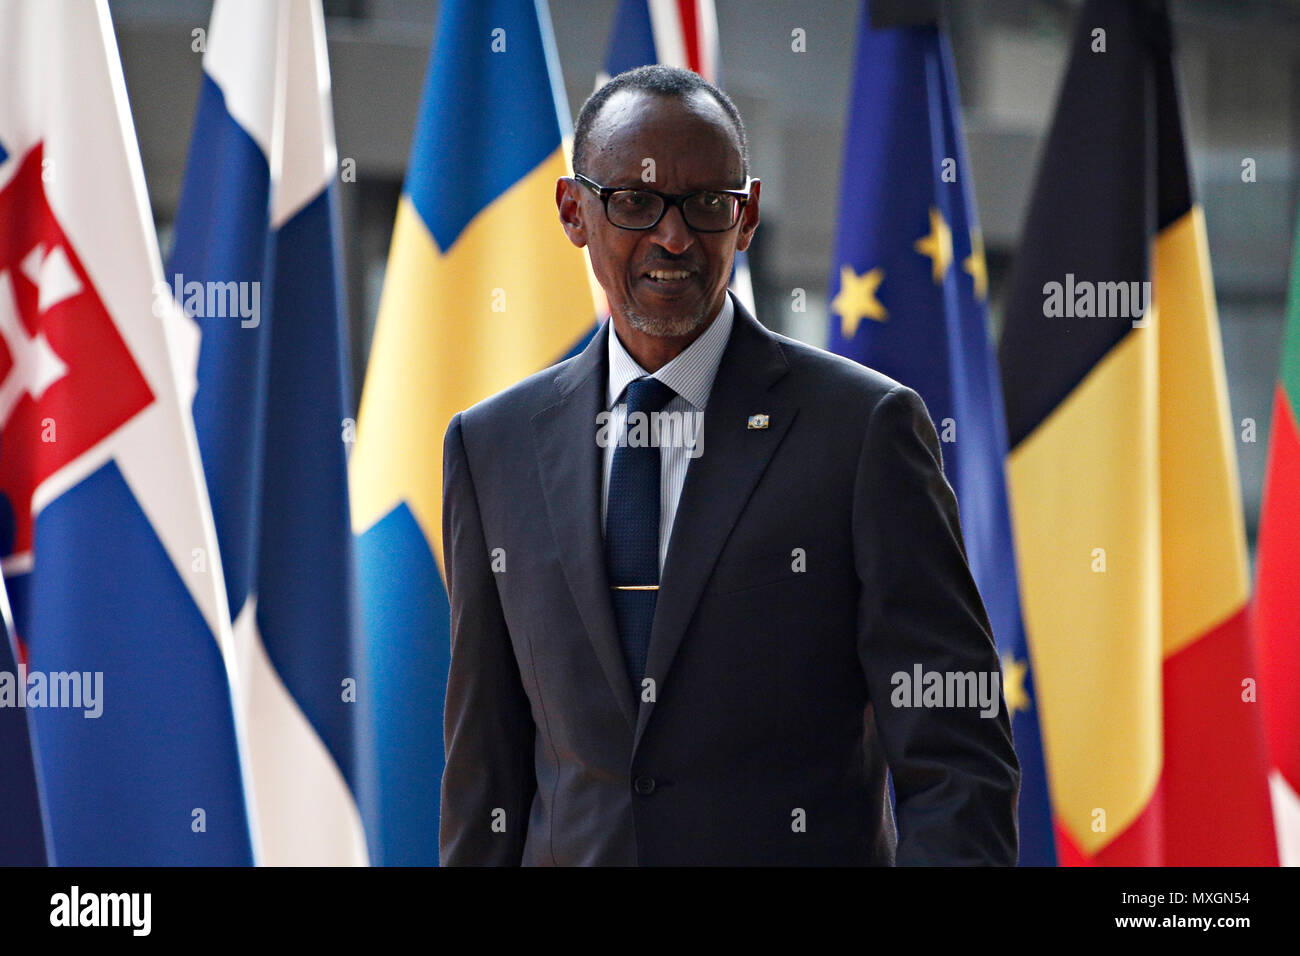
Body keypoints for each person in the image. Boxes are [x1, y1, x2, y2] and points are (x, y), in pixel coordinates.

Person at [440, 64, 1019, 866]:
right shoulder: (491, 447)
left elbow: (958, 764)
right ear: (575, 212)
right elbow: (485, 779)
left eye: (707, 205)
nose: (673, 238)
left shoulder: (863, 433)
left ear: (744, 218)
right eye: (635, 203)